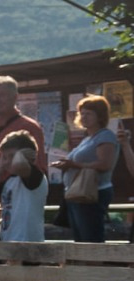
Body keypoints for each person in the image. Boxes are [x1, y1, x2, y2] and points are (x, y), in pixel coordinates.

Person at [54, 94, 119, 244]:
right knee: (80, 239)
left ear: (100, 116)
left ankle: (95, 260)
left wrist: (73, 165)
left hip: (92, 193)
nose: (84, 117)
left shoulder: (105, 136)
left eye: (89, 114)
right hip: (76, 194)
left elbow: (105, 165)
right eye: (82, 113)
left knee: (90, 238)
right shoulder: (87, 138)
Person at [0, 76, 47, 191]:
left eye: (2, 95)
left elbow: (38, 169)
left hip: (13, 194)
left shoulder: (29, 127)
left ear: (15, 97)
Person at [0, 131, 47, 242]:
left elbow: (18, 164)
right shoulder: (10, 181)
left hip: (27, 241)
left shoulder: (35, 176)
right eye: (4, 157)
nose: (7, 161)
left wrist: (21, 155)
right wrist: (0, 167)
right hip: (9, 239)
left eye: (12, 156)